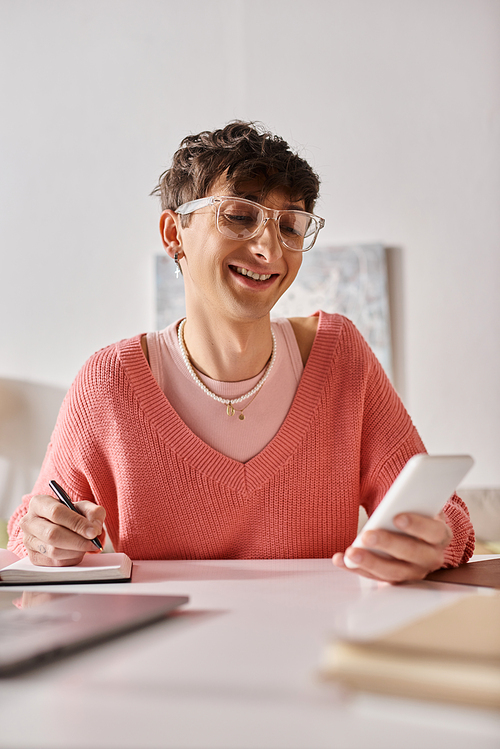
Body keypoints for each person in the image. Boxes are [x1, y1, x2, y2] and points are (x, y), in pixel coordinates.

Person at [7, 121, 474, 583]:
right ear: (174, 233)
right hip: (165, 655)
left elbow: (447, 516)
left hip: (320, 649)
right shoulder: (109, 382)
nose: (270, 249)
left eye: (290, 225)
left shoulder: (341, 359)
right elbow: (29, 539)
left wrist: (433, 539)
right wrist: (46, 539)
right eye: (239, 216)